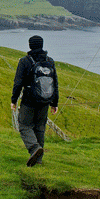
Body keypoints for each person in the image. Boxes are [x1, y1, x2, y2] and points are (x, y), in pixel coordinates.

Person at [11, 35, 59, 167]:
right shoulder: (50, 61)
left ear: (30, 45)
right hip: (45, 100)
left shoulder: (25, 61)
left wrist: (14, 100)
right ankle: (38, 160)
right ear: (42, 45)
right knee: (39, 128)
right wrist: (54, 103)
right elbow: (55, 83)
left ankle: (34, 148)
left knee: (24, 126)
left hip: (29, 100)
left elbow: (18, 83)